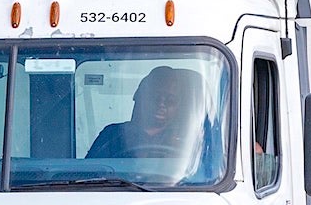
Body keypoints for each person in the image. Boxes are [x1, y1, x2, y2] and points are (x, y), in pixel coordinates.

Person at [85, 66, 214, 176]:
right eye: (155, 96)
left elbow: (198, 178)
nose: (161, 104)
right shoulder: (112, 135)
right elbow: (87, 175)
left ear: (178, 106)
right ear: (139, 96)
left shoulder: (189, 140)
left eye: (170, 100)